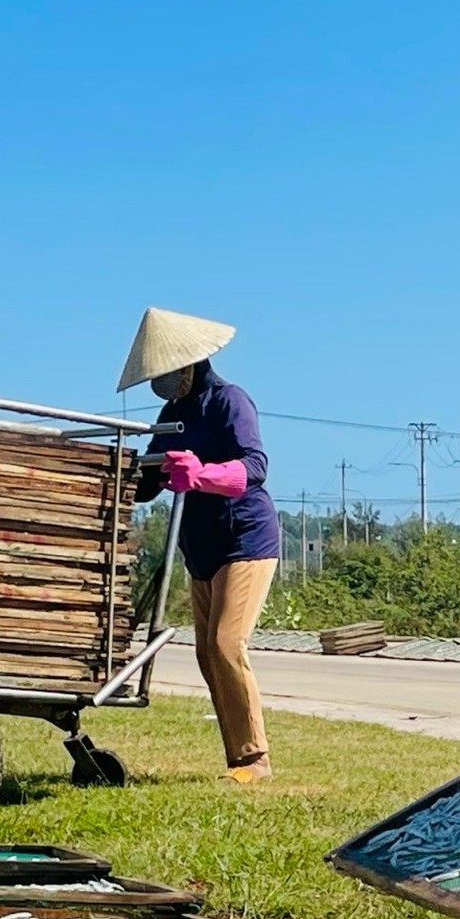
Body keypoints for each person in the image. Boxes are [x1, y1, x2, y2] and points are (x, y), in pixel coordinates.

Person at [117, 307, 279, 785]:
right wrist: (124, 472)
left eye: (167, 372)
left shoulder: (230, 401)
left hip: (246, 539)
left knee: (228, 643)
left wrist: (203, 474)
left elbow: (255, 466)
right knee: (206, 653)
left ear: (189, 363)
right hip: (201, 546)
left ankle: (256, 760)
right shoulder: (173, 414)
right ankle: (237, 761)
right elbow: (147, 483)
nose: (160, 383)